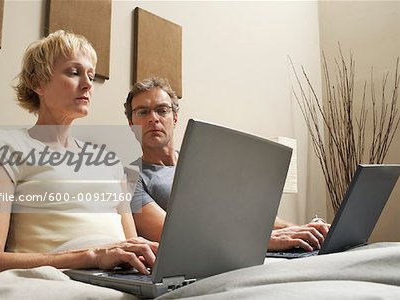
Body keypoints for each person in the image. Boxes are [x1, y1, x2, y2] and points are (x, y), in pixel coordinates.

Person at [0, 31, 157, 284]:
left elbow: (130, 244)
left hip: (124, 279)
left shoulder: (109, 162)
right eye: (74, 72)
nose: (88, 84)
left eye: (90, 74)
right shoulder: (5, 149)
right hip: (59, 281)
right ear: (38, 83)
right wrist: (89, 256)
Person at [123, 77, 330, 252]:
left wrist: (301, 230)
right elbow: (171, 235)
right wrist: (264, 241)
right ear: (131, 124)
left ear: (175, 118)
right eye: (142, 112)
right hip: (218, 256)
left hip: (253, 249)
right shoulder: (129, 178)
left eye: (162, 110)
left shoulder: (204, 161)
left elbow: (248, 213)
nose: (153, 118)